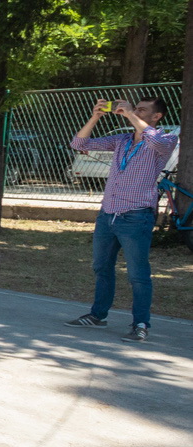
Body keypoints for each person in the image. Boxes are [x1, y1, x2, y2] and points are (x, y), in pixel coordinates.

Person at [65, 96, 178, 342]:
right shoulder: (122, 140)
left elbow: (154, 140)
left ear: (157, 116)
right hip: (108, 214)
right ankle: (98, 315)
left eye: (142, 110)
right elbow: (78, 143)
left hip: (136, 216)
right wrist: (95, 117)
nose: (134, 111)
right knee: (101, 267)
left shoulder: (166, 139)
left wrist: (130, 114)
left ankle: (140, 323)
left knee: (138, 274)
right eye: (135, 108)